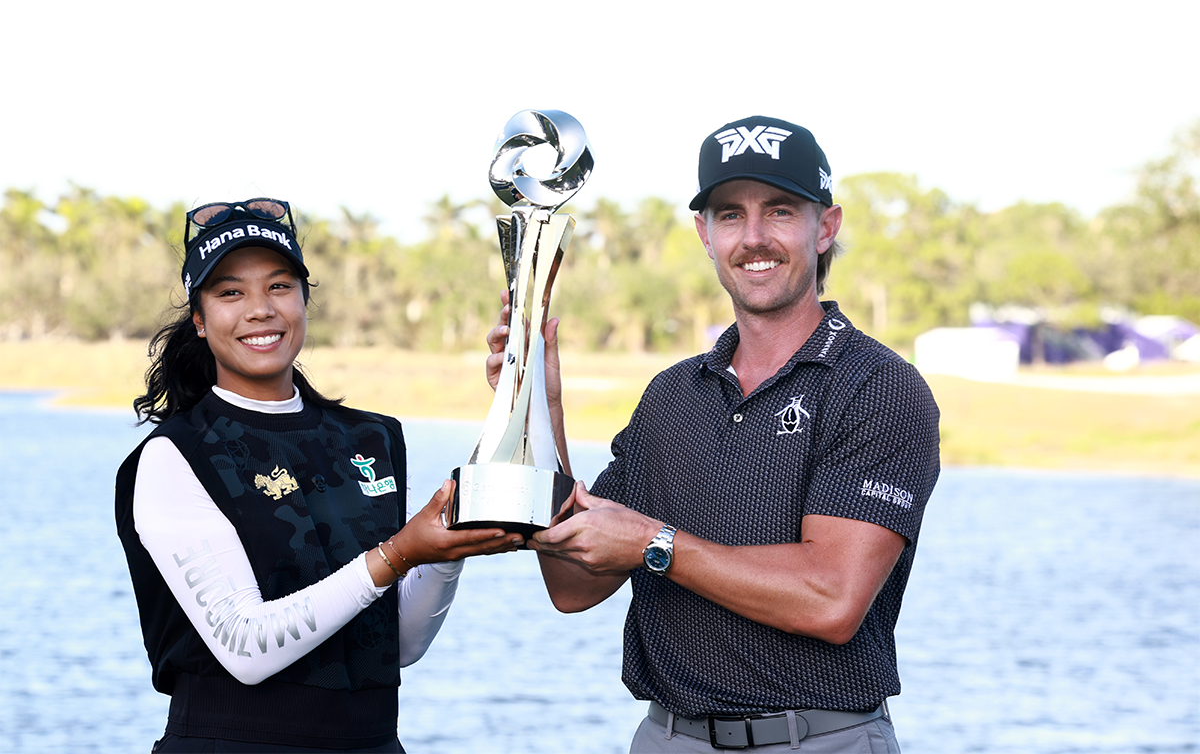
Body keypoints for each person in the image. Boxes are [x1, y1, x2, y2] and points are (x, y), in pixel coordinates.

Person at [489, 117, 940, 752]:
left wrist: (654, 542)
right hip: (668, 736)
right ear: (705, 233)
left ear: (826, 227)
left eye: (780, 211)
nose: (754, 238)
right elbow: (573, 586)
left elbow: (832, 599)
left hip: (818, 740)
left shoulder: (877, 386)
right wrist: (538, 406)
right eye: (730, 215)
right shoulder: (673, 396)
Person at [115, 198, 525, 753]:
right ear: (200, 318)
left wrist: (444, 550)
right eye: (231, 292)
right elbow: (246, 648)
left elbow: (396, 644)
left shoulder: (370, 437)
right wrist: (400, 553)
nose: (260, 309)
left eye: (280, 286)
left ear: (305, 300)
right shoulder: (173, 455)